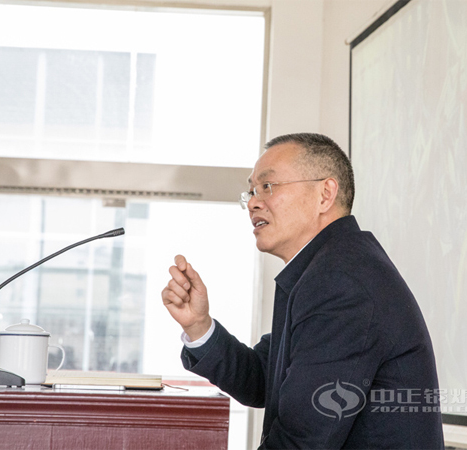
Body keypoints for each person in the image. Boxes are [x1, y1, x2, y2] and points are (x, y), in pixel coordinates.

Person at [161, 133, 444, 449]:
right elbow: (264, 378)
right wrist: (199, 326)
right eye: (252, 191)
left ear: (325, 194)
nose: (253, 202)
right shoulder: (326, 270)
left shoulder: (341, 282)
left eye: (268, 186)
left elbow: (302, 441)